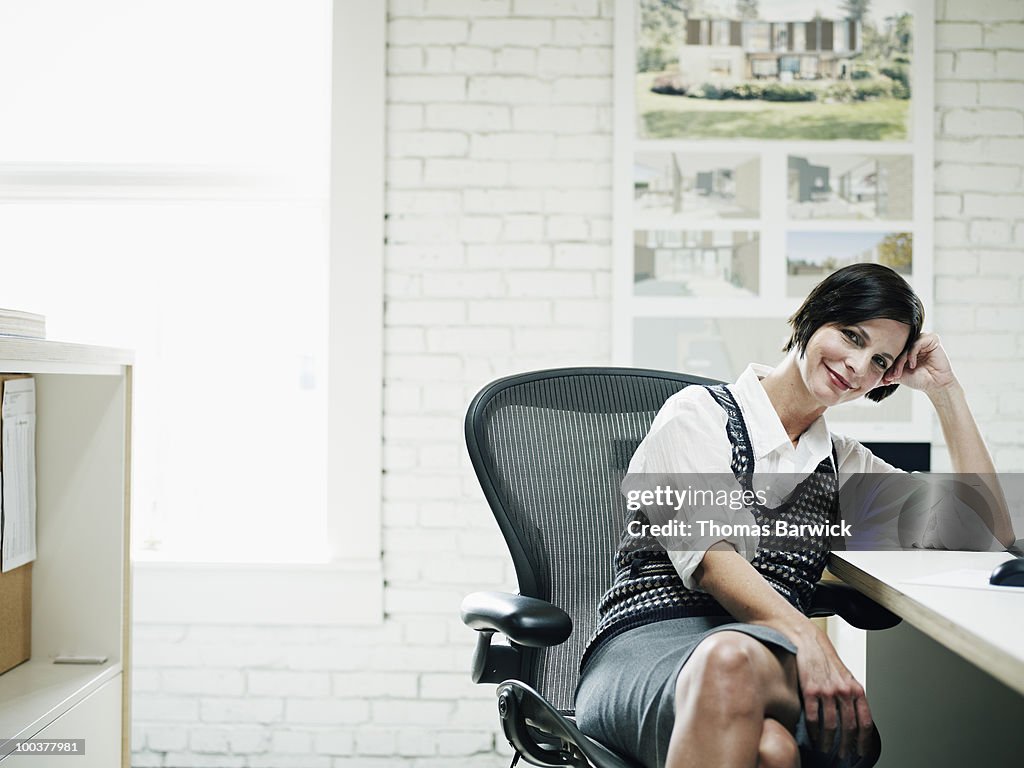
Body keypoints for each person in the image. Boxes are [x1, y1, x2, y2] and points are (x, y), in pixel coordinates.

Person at [574, 264, 1015, 768]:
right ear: (814, 317)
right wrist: (808, 638)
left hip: (768, 657)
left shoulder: (844, 466)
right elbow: (715, 563)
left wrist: (946, 392)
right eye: (851, 336)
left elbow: (989, 534)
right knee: (767, 740)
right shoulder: (698, 415)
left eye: (879, 360)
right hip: (647, 647)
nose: (855, 365)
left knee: (768, 734)